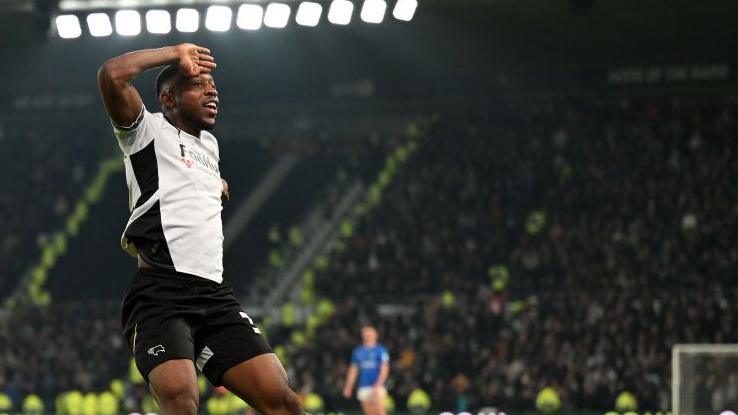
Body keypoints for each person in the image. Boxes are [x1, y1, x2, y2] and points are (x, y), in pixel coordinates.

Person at [96, 44, 303, 415]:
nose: (213, 91)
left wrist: (216, 185)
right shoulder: (145, 131)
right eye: (199, 85)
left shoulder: (209, 145)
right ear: (169, 98)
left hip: (214, 297)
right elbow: (111, 74)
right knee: (181, 400)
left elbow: (186, 177)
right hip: (161, 291)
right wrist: (175, 54)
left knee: (283, 402)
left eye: (213, 86)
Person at [342, 325, 390, 415]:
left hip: (377, 386)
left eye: (369, 333)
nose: (367, 335)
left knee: (381, 412)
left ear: (375, 335)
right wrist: (348, 386)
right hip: (363, 386)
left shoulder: (380, 350)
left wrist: (378, 384)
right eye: (365, 334)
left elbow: (385, 368)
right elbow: (353, 370)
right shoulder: (358, 351)